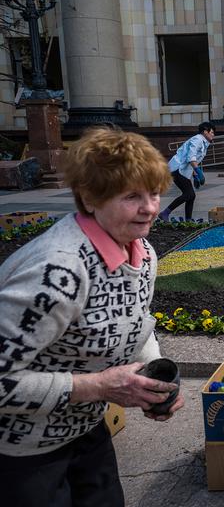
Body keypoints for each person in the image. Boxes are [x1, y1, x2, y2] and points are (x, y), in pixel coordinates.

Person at [0, 127, 185, 506]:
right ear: (89, 197)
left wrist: (153, 380)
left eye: (153, 192)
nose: (150, 207)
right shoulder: (56, 271)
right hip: (22, 453)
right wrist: (100, 387)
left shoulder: (142, 251)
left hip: (85, 429)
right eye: (131, 196)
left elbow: (137, 319)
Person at [159, 121, 215, 221]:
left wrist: (195, 176)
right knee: (189, 194)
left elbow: (193, 161)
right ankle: (165, 213)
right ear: (205, 132)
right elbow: (191, 157)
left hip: (183, 170)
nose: (213, 135)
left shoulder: (203, 143)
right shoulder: (198, 139)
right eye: (212, 132)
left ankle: (188, 220)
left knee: (191, 195)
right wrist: (199, 172)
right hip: (177, 168)